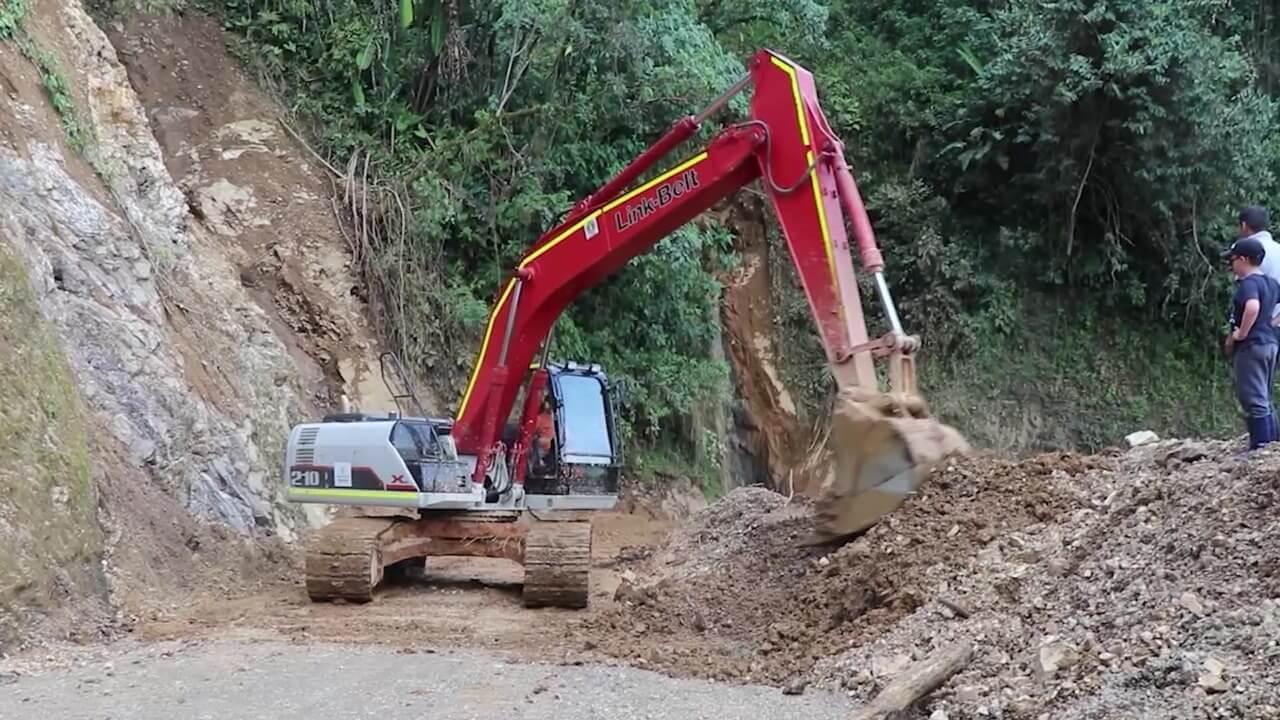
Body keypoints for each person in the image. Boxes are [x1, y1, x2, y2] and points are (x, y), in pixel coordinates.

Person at [1222, 234, 1280, 450]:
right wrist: (1271, 323)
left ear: (1243, 260)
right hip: (1270, 343)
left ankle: (1260, 449)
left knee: (1253, 397)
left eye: (1233, 260)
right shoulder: (1271, 283)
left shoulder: (1249, 284)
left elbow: (1252, 306)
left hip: (1253, 346)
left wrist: (1241, 333)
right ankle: (1273, 446)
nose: (1231, 264)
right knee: (1265, 395)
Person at [1237, 205, 1280, 332]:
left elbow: (1247, 302)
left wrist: (1240, 333)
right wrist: (1274, 322)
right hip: (1275, 327)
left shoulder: (1244, 251)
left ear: (1244, 225)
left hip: (1253, 331)